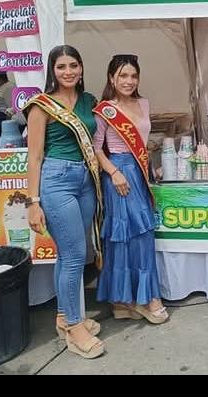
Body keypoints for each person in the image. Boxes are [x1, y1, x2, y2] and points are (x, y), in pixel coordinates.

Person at [25, 45, 105, 359]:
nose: (68, 71)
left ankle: (63, 317)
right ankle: (75, 327)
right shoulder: (41, 106)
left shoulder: (88, 101)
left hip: (86, 180)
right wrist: (33, 202)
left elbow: (96, 141)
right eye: (61, 67)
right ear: (52, 71)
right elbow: (34, 157)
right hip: (56, 180)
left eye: (73, 65)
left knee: (68, 254)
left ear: (81, 68)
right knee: (74, 256)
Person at [93, 54, 169, 325]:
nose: (129, 81)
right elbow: (95, 149)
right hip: (119, 174)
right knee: (128, 235)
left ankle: (126, 300)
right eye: (123, 75)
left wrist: (151, 166)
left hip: (139, 171)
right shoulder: (105, 110)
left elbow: (143, 142)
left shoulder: (143, 103)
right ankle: (141, 299)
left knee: (141, 233)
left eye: (133, 76)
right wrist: (114, 173)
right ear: (111, 78)